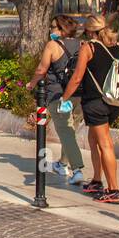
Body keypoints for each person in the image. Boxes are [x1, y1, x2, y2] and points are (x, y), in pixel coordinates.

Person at [60, 15, 119, 205]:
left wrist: (63, 99)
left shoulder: (89, 48)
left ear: (89, 31)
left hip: (96, 102)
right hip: (114, 103)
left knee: (105, 144)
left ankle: (113, 190)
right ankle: (97, 180)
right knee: (93, 139)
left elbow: (77, 78)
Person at [25, 15, 86, 185]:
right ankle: (62, 164)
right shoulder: (82, 45)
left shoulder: (53, 45)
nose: (50, 30)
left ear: (61, 29)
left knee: (66, 132)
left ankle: (77, 170)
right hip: (79, 94)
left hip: (57, 95)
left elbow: (41, 69)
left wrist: (32, 83)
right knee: (70, 131)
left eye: (52, 27)